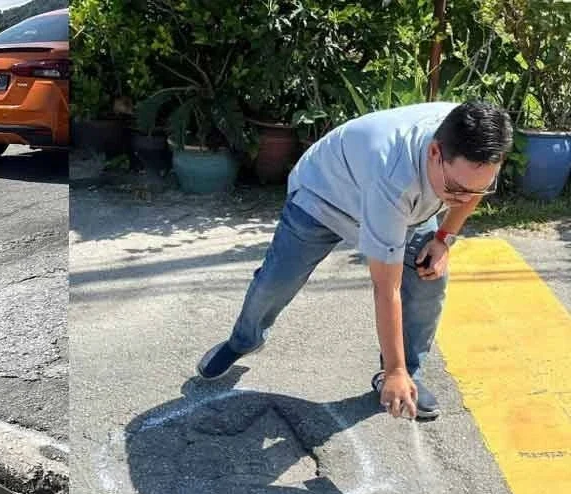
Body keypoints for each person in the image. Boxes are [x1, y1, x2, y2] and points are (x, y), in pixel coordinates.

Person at [197, 101, 513, 420]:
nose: (463, 198)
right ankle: (243, 340)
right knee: (276, 282)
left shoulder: (477, 144)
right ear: (434, 152)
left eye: (481, 189)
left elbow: (471, 188)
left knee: (428, 280)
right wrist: (394, 369)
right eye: (456, 189)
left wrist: (444, 238)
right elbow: (385, 288)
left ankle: (407, 376)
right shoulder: (392, 175)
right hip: (324, 197)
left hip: (405, 205)